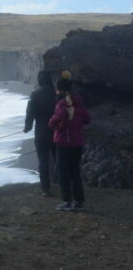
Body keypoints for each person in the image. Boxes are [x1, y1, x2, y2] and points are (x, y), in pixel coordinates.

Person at [48, 75, 91, 211]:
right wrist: (76, 125)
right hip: (77, 142)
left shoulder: (62, 104)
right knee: (75, 172)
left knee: (63, 173)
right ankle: (79, 203)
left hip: (64, 143)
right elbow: (87, 119)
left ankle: (67, 202)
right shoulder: (79, 101)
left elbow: (53, 122)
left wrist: (58, 126)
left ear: (59, 90)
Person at [23, 70, 56, 195]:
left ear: (40, 80)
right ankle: (65, 185)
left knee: (43, 160)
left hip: (41, 131)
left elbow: (30, 113)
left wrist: (27, 127)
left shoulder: (35, 94)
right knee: (59, 159)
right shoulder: (57, 94)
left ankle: (45, 188)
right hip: (58, 131)